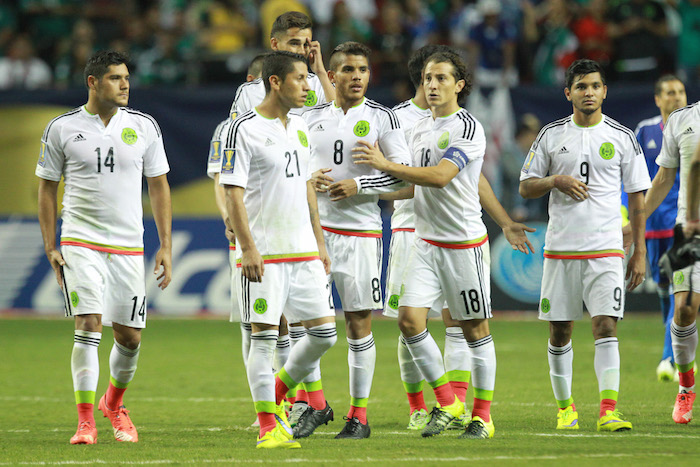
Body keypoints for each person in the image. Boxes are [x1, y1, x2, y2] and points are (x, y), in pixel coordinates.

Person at [354, 50, 534, 440]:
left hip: (462, 245)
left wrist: (385, 166)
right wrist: (362, 189)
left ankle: (482, 415)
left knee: (473, 329)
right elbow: (413, 187)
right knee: (408, 320)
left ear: (459, 84)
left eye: (440, 78)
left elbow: (440, 176)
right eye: (427, 78)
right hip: (424, 243)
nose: (432, 85)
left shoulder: (468, 127)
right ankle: (449, 402)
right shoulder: (417, 129)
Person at [36, 51, 172, 445]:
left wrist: (165, 245)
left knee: (129, 337)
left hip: (129, 245)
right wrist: (50, 244)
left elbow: (159, 184)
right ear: (93, 82)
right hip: (80, 240)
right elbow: (47, 188)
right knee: (89, 324)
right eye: (115, 77)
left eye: (126, 77)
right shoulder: (62, 127)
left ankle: (112, 404)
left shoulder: (144, 126)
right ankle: (85, 422)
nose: (125, 84)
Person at [519, 59, 651, 432]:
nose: (588, 92)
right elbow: (525, 185)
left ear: (605, 91)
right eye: (581, 86)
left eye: (595, 86)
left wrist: (638, 250)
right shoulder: (550, 134)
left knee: (605, 325)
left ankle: (608, 410)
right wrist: (555, 180)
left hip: (607, 248)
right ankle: (566, 409)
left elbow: (637, 200)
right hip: (561, 249)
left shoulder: (622, 137)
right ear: (568, 93)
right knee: (560, 330)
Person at [220, 50, 337, 449]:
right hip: (264, 254)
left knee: (324, 334)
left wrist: (320, 242)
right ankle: (269, 426)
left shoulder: (300, 127)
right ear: (275, 82)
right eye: (301, 78)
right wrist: (248, 248)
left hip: (303, 250)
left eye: (308, 79)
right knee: (263, 338)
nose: (309, 86)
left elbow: (306, 185)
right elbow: (232, 193)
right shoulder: (244, 129)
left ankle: (274, 394)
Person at [301, 41, 411, 439]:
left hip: (361, 235)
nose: (357, 77)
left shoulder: (383, 119)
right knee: (306, 324)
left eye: (362, 70)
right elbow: (291, 170)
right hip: (313, 235)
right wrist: (306, 182)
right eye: (348, 70)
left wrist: (359, 184)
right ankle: (314, 405)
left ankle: (358, 417)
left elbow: (404, 176)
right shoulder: (309, 118)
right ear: (331, 76)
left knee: (358, 324)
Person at [624, 75, 686, 381]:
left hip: (684, 224)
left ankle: (668, 357)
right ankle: (676, 348)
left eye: (681, 92)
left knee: (680, 290)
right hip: (651, 224)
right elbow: (632, 178)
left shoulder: (694, 129)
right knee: (665, 288)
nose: (677, 98)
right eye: (670, 93)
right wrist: (631, 218)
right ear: (658, 99)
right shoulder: (645, 131)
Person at [645, 100, 700, 424]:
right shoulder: (682, 120)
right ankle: (686, 387)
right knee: (683, 309)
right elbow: (665, 177)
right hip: (690, 231)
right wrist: (635, 224)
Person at [230, 11, 335, 119]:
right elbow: (237, 133)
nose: (302, 51)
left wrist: (321, 72)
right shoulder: (250, 91)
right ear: (275, 44)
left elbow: (341, 121)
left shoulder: (319, 85)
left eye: (306, 44)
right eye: (294, 43)